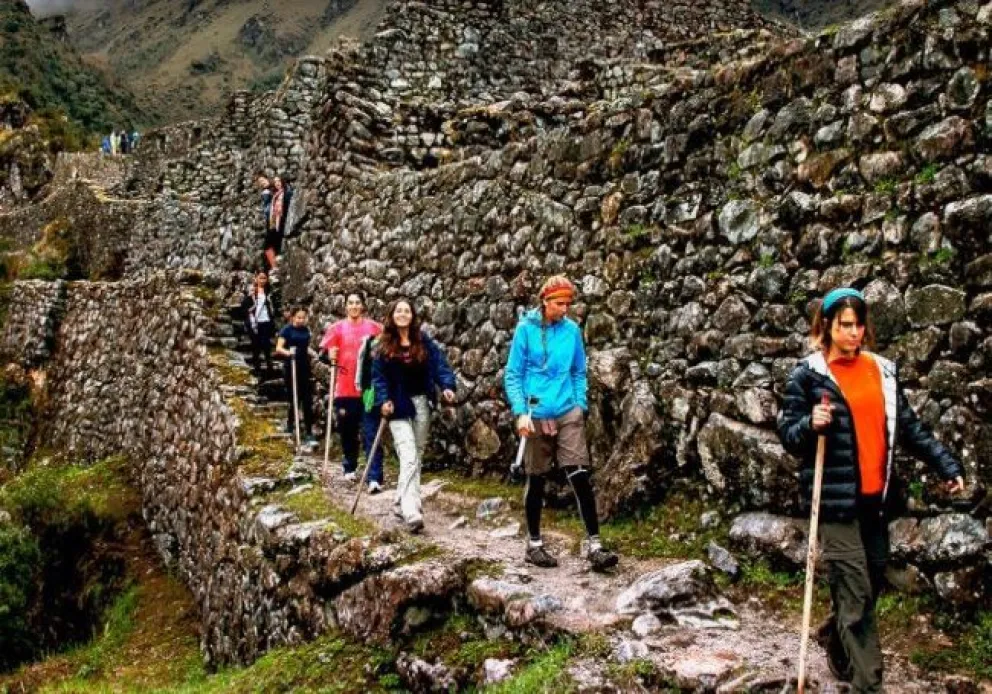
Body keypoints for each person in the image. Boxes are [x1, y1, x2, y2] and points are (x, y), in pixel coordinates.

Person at [778, 287, 965, 692]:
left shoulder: (881, 370)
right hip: (834, 504)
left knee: (872, 579)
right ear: (826, 326)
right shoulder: (808, 375)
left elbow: (910, 428)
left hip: (874, 500)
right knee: (856, 592)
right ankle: (868, 683)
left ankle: (835, 636)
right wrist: (810, 423)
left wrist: (946, 464)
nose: (854, 333)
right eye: (846, 325)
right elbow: (788, 435)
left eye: (859, 325)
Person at [504, 275, 619, 572]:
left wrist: (579, 405)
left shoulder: (572, 331)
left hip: (567, 409)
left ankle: (595, 545)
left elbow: (579, 370)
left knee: (579, 474)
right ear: (545, 301)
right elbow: (514, 375)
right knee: (537, 478)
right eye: (559, 303)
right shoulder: (525, 331)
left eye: (568, 303)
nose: (565, 308)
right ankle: (534, 544)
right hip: (535, 411)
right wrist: (520, 413)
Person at [372, 299, 456, 533]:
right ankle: (412, 510)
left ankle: (401, 499)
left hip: (421, 403)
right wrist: (383, 400)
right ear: (392, 315)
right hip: (397, 406)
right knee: (408, 454)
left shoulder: (423, 341)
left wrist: (447, 386)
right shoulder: (383, 346)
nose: (402, 314)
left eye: (407, 310)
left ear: (412, 315)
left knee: (416, 454)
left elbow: (440, 366)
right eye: (398, 310)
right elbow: (378, 378)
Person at [319, 292, 383, 491]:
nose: (354, 306)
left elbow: (386, 349)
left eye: (358, 303)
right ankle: (350, 466)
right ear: (345, 306)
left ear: (363, 306)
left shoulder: (374, 328)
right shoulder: (336, 328)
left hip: (368, 389)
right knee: (348, 431)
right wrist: (329, 355)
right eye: (351, 303)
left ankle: (374, 476)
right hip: (344, 389)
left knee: (370, 431)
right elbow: (322, 354)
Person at [275, 306, 317, 446]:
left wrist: (314, 353)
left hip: (304, 367)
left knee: (307, 400)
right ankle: (290, 424)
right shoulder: (286, 330)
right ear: (292, 317)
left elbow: (305, 347)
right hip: (291, 366)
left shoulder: (306, 330)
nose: (301, 320)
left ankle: (309, 432)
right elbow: (279, 348)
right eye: (298, 317)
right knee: (294, 397)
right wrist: (289, 353)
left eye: (303, 318)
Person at [240, 271, 276, 375]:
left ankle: (269, 366)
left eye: (264, 278)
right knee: (256, 344)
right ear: (256, 279)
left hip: (266, 320)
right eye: (260, 278)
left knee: (266, 344)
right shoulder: (252, 291)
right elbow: (245, 306)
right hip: (255, 322)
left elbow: (271, 308)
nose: (262, 280)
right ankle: (257, 367)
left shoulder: (268, 292)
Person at [264, 176, 293, 271]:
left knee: (275, 244)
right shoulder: (275, 195)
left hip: (281, 222)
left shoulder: (286, 193)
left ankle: (276, 266)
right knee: (268, 244)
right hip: (273, 223)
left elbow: (288, 205)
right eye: (275, 182)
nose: (277, 183)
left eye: (279, 181)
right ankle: (274, 266)